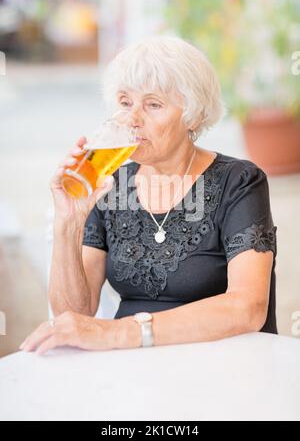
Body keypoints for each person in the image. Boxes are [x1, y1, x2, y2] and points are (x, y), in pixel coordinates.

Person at [20, 36, 277, 355]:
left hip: (224, 366)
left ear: (193, 116)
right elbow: (75, 313)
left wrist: (117, 332)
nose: (132, 119)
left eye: (153, 104)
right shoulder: (109, 184)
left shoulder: (239, 182)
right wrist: (68, 223)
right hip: (132, 372)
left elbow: (248, 308)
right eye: (126, 103)